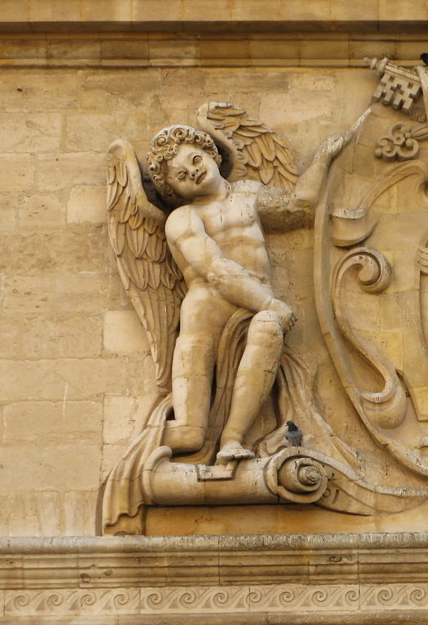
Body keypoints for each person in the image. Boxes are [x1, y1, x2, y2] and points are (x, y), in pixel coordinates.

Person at [146, 125, 343, 461]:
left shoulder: (248, 194)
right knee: (191, 433)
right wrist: (269, 302)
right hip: (206, 316)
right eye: (181, 175)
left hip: (254, 309)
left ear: (211, 154)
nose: (193, 172)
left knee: (268, 326)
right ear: (173, 190)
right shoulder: (182, 218)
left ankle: (232, 439)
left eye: (195, 160)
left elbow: (300, 205)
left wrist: (323, 158)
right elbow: (214, 270)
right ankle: (145, 447)